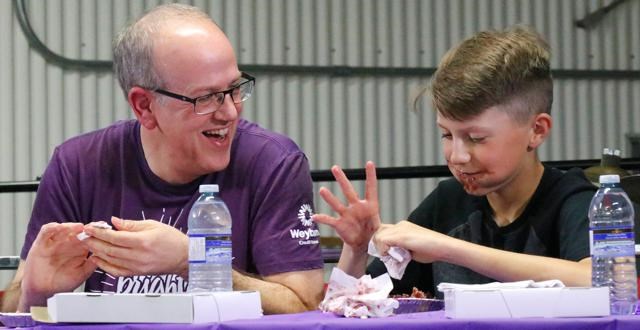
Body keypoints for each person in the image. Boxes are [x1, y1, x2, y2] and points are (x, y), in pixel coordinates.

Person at [1, 3, 323, 314]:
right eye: (207, 97)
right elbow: (15, 305)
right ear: (144, 106)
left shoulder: (273, 163)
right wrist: (36, 291)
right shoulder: (78, 166)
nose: (229, 112)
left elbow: (304, 303)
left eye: (235, 88)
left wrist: (192, 260)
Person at [313, 26, 597, 298]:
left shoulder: (576, 201)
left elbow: (598, 279)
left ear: (537, 131)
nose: (457, 156)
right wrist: (357, 250)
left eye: (476, 138)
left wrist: (448, 248)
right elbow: (352, 302)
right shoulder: (446, 202)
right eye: (447, 135)